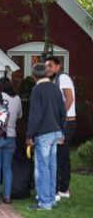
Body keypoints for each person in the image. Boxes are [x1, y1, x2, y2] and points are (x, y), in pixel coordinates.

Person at [26, 63, 66, 210]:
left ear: (33, 75)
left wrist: (29, 135)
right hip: (56, 131)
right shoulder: (55, 88)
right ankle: (50, 199)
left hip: (43, 133)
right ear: (47, 73)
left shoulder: (37, 90)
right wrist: (62, 131)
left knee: (43, 168)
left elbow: (35, 115)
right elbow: (63, 112)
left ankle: (45, 203)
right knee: (51, 167)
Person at [46, 56, 76, 199]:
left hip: (66, 122)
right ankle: (64, 189)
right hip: (67, 122)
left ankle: (56, 191)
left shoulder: (63, 78)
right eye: (46, 66)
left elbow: (69, 98)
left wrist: (60, 118)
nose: (48, 68)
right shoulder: (57, 79)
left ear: (58, 66)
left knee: (58, 156)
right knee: (64, 157)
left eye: (51, 65)